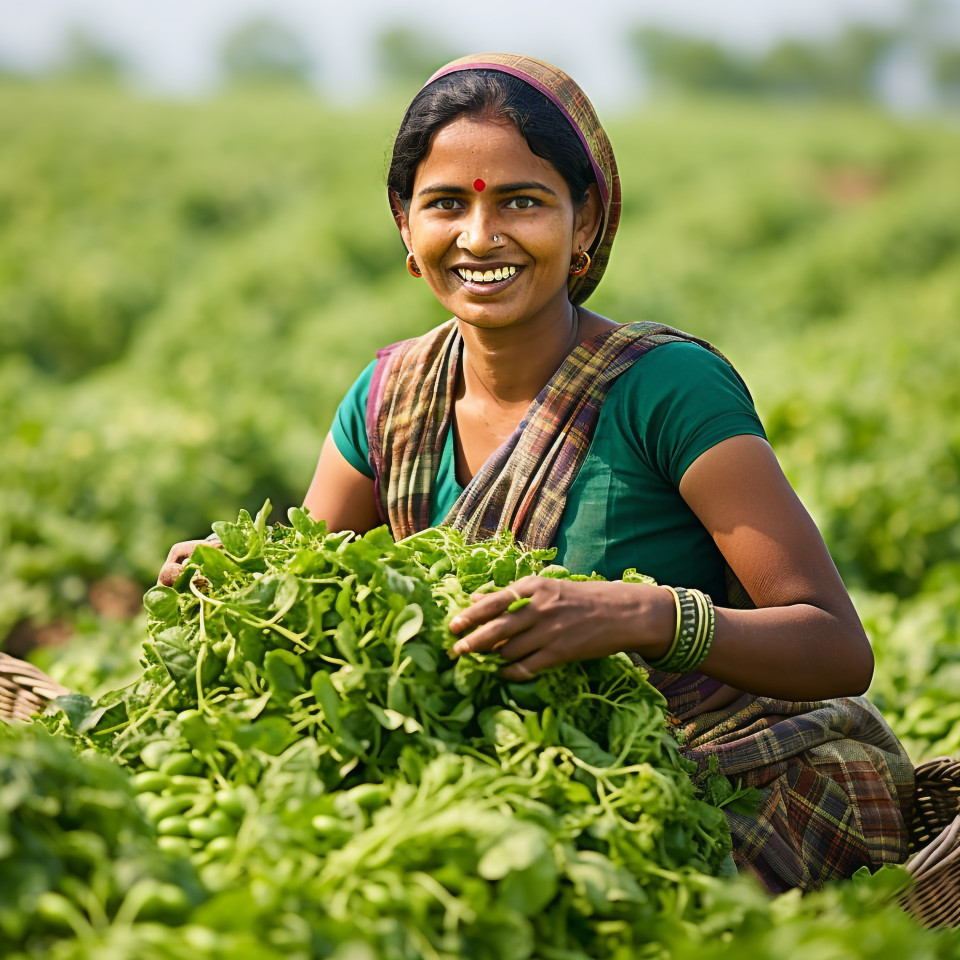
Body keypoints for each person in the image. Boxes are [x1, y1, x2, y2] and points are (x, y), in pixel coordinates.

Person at [160, 53, 914, 893]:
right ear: (406, 228)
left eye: (522, 200)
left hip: (723, 776)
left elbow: (836, 646)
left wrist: (639, 615)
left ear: (584, 221)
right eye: (447, 204)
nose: (481, 238)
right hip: (499, 783)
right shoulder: (387, 398)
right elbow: (311, 598)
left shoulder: (666, 390)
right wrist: (233, 586)